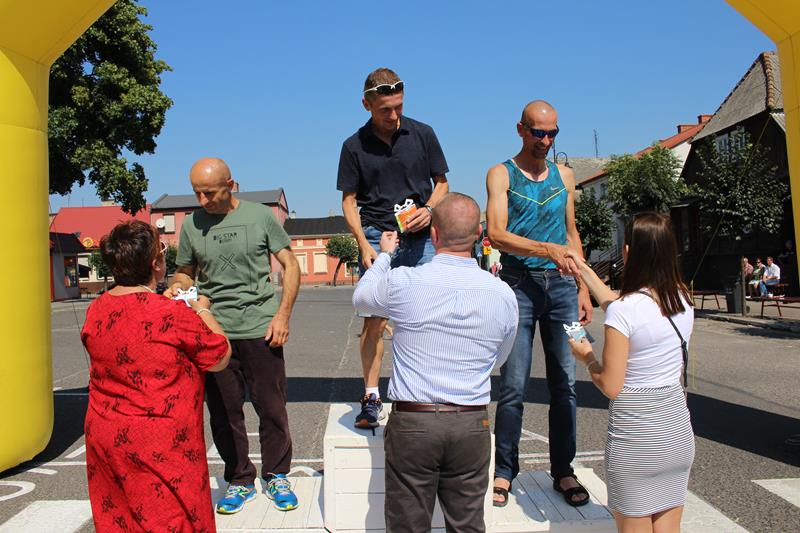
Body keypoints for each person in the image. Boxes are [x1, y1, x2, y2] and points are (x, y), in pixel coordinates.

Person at [353, 193, 518, 533]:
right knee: (468, 524)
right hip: (470, 421)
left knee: (408, 525)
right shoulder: (502, 293)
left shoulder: (404, 281)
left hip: (415, 421)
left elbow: (362, 298)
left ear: (434, 234)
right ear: (478, 234)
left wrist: (385, 256)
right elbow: (499, 357)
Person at [165, 158, 301, 514]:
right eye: (197, 193)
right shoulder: (192, 224)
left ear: (231, 185)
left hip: (261, 327)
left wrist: (282, 315)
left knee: (272, 408)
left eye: (210, 192)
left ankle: (277, 475)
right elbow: (186, 271)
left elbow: (291, 263)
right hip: (214, 332)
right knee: (225, 414)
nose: (203, 200)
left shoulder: (260, 216)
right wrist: (178, 285)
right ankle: (239, 479)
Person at [81, 220, 232, 532]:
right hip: (160, 442)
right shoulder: (171, 314)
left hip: (106, 435)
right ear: (156, 264)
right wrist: (202, 309)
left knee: (120, 518)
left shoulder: (96, 308)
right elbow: (219, 356)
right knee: (171, 518)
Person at [486, 99, 593, 507]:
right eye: (538, 133)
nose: (546, 140)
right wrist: (546, 249)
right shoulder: (502, 174)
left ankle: (563, 470)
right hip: (519, 286)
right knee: (514, 384)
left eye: (553, 133)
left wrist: (583, 287)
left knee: (566, 383)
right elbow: (496, 233)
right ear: (520, 129)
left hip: (564, 288)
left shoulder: (565, 175)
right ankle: (504, 471)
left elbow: (572, 233)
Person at [567, 212, 695, 533]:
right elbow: (619, 304)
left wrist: (587, 357)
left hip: (636, 441)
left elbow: (610, 385)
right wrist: (583, 268)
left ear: (628, 253)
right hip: (676, 434)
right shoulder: (682, 298)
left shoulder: (625, 311)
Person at [338, 67, 450, 429]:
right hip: (376, 237)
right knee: (374, 320)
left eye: (399, 106)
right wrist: (362, 244)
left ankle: (424, 393)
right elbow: (348, 201)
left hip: (422, 239)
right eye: (385, 109)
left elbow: (442, 184)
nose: (393, 114)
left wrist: (429, 210)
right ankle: (371, 397)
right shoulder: (353, 146)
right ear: (366, 104)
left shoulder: (423, 133)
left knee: (426, 318)